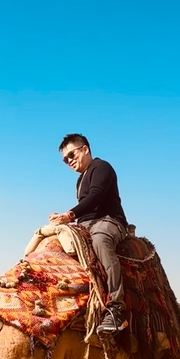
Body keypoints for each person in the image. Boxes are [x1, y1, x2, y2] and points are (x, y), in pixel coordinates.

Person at [49, 133, 129, 334]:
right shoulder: (79, 181)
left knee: (100, 242)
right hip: (85, 225)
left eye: (72, 154)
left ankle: (116, 309)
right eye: (65, 160)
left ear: (85, 149)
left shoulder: (101, 167)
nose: (69, 161)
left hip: (108, 221)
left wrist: (70, 214)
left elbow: (96, 195)